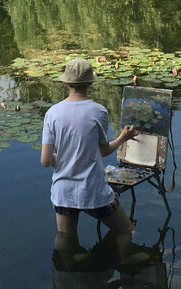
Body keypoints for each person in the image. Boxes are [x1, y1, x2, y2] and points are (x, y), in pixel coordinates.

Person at [41, 58, 139, 234]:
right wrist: (122, 138)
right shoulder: (98, 111)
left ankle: (69, 261)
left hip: (64, 192)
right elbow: (104, 151)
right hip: (93, 191)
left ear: (67, 82)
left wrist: (64, 156)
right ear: (89, 84)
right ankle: (125, 259)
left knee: (65, 240)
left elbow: (46, 161)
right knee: (126, 230)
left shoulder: (52, 113)